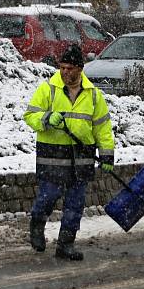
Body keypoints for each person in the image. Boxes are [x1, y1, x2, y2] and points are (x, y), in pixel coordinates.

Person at [23, 44, 115, 260]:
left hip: (81, 157)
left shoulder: (93, 95)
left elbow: (102, 127)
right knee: (48, 197)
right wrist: (46, 119)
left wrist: (107, 154)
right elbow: (30, 116)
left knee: (75, 204)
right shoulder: (48, 89)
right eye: (62, 68)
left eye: (70, 68)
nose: (65, 72)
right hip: (53, 156)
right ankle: (37, 226)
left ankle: (66, 244)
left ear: (80, 69)